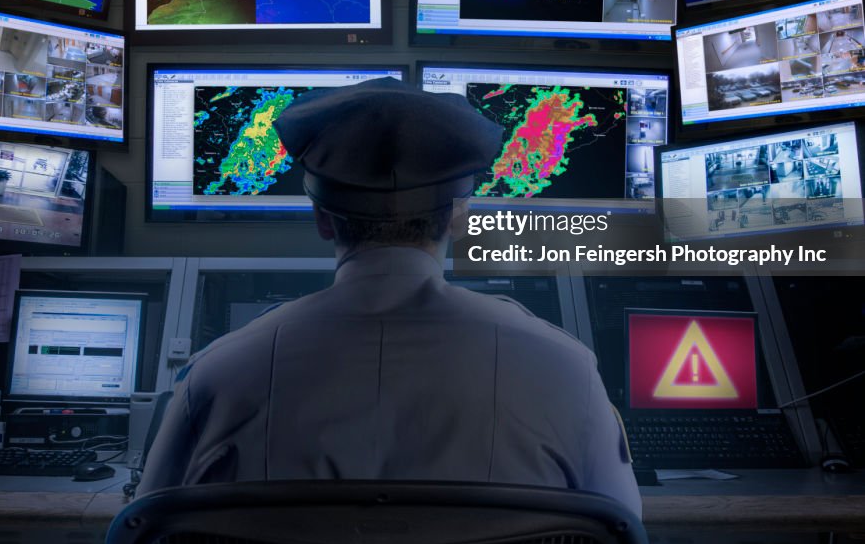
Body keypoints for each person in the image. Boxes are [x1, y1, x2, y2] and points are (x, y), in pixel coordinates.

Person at [139, 78, 640, 516]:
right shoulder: (567, 370)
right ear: (456, 218)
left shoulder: (213, 376)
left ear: (322, 219)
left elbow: (149, 534)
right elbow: (617, 536)